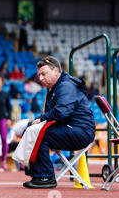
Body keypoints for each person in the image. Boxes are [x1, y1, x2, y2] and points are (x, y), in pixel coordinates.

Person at [22, 56, 96, 189]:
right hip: (72, 128)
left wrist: (41, 119)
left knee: (40, 132)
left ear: (56, 71)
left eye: (44, 74)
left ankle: (45, 177)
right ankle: (37, 174)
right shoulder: (56, 87)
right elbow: (56, 113)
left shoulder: (65, 86)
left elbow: (62, 112)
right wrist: (40, 120)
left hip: (81, 131)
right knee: (33, 128)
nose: (40, 78)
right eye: (39, 75)